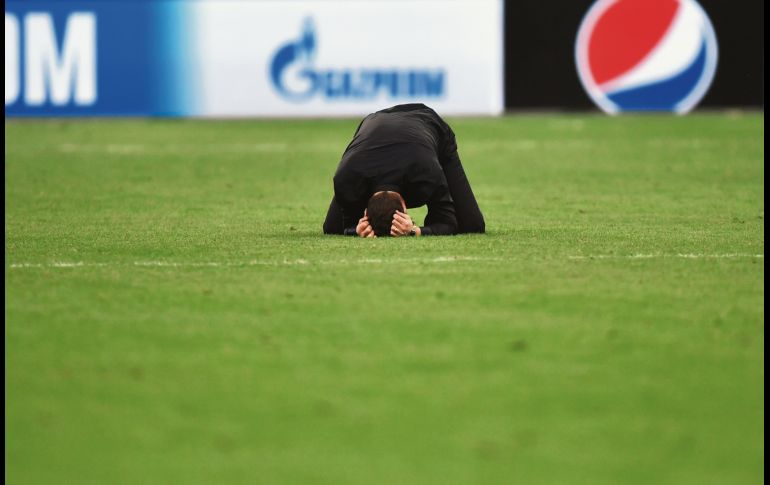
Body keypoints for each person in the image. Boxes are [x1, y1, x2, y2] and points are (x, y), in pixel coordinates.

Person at [322, 103, 485, 237]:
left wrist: (415, 230)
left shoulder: (427, 173)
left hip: (428, 123)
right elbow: (336, 228)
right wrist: (356, 229)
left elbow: (448, 222)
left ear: (364, 212)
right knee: (332, 227)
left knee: (472, 224)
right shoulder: (347, 178)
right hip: (374, 124)